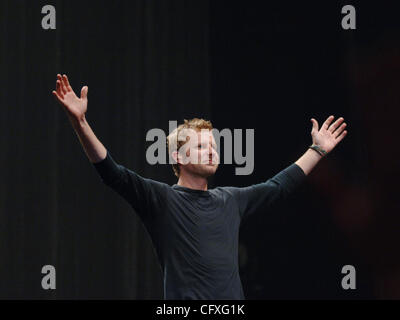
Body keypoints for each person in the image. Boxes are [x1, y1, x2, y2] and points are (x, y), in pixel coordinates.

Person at [52, 74, 348, 299]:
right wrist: (80, 123)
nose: (212, 151)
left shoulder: (230, 200)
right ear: (178, 157)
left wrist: (317, 150)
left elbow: (278, 187)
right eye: (202, 146)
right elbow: (111, 172)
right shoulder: (161, 199)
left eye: (214, 145)